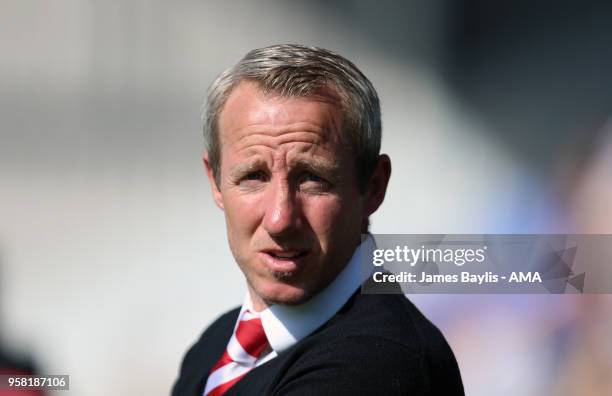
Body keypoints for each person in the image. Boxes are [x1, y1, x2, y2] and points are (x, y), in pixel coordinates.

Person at [172, 44, 464, 395]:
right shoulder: (216, 344)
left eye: (312, 178)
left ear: (373, 187)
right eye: (253, 176)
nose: (281, 219)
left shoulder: (372, 366)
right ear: (215, 181)